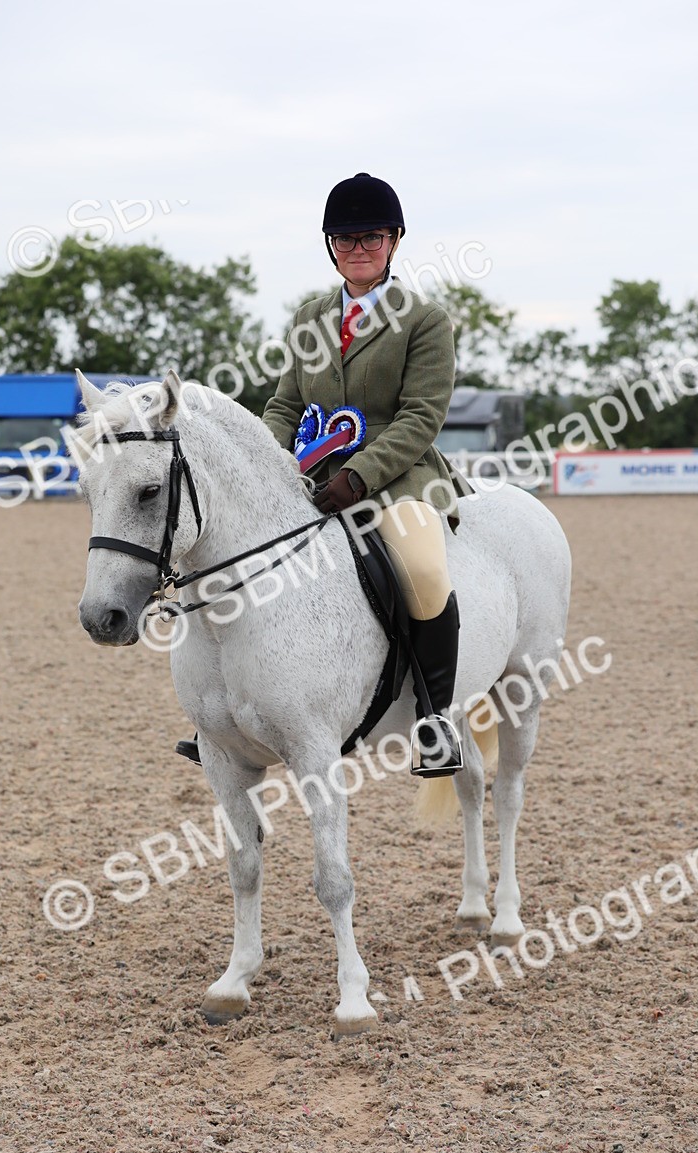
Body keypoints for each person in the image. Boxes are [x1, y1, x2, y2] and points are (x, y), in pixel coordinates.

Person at [176, 172, 470, 775]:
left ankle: (434, 719)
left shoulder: (424, 320)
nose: (357, 249)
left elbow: (420, 417)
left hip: (399, 478)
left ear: (393, 242)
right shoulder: (311, 317)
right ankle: (220, 722)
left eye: (371, 238)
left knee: (422, 566)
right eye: (345, 239)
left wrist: (360, 477)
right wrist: (267, 462)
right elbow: (286, 404)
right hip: (309, 476)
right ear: (331, 246)